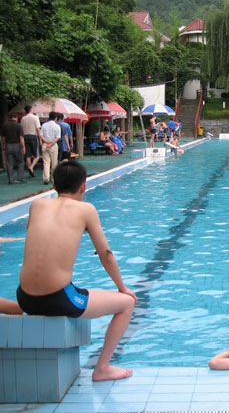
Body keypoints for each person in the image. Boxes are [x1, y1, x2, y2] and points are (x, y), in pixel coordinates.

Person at [16, 161, 136, 381]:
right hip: (56, 298)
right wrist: (123, 288)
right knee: (127, 304)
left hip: (24, 297)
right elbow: (106, 254)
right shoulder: (86, 209)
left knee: (72, 290)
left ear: (53, 185)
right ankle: (102, 368)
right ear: (83, 186)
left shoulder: (37, 205)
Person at [1, 112, 26, 184]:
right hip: (17, 145)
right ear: (16, 117)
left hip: (8, 145)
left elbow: (2, 137)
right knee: (20, 161)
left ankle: (10, 180)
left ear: (9, 117)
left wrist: (3, 145)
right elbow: (21, 137)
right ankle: (20, 177)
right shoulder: (19, 125)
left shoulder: (5, 125)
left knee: (9, 163)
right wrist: (23, 146)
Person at [39, 112, 62, 185]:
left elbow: (41, 135)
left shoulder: (44, 125)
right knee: (54, 163)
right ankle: (53, 179)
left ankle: (46, 178)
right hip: (53, 145)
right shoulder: (57, 126)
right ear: (55, 118)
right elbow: (57, 137)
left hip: (45, 145)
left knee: (46, 162)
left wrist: (47, 142)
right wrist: (51, 143)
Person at [20, 105, 42, 177]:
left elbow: (21, 129)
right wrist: (40, 138)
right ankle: (31, 167)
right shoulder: (35, 117)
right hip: (33, 136)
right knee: (37, 155)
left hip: (25, 136)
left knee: (28, 155)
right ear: (31, 109)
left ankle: (30, 173)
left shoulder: (23, 118)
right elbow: (38, 129)